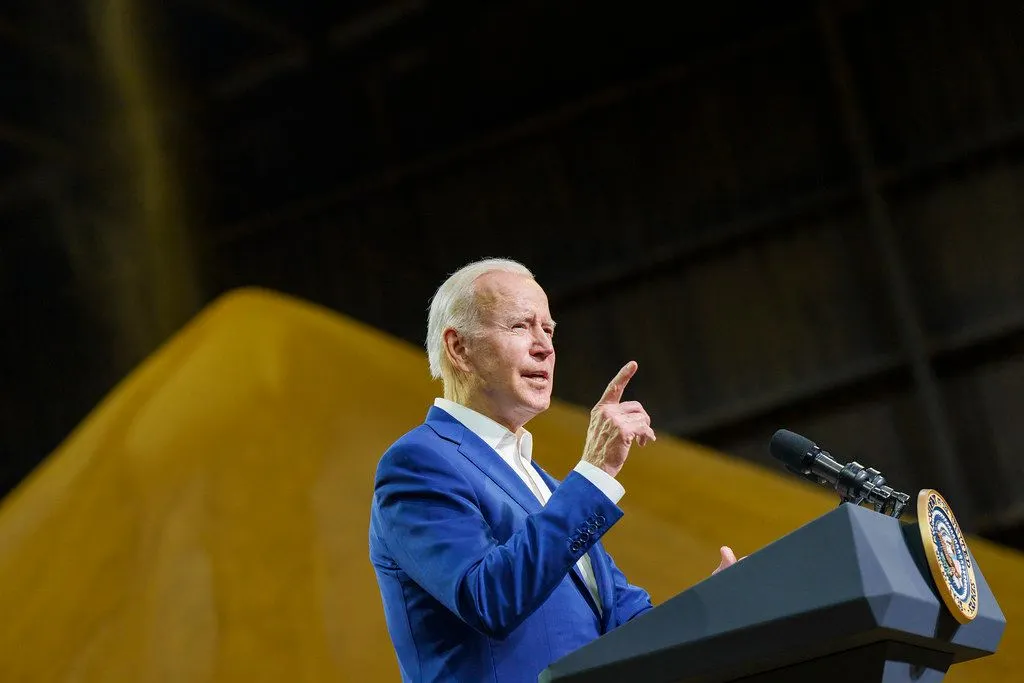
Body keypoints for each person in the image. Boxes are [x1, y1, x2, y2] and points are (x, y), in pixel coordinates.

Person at [369, 257, 738, 683]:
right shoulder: (419, 463)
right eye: (520, 326)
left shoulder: (547, 487)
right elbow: (489, 599)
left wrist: (717, 603)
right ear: (459, 348)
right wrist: (595, 472)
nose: (544, 346)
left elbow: (627, 625)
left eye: (548, 330)